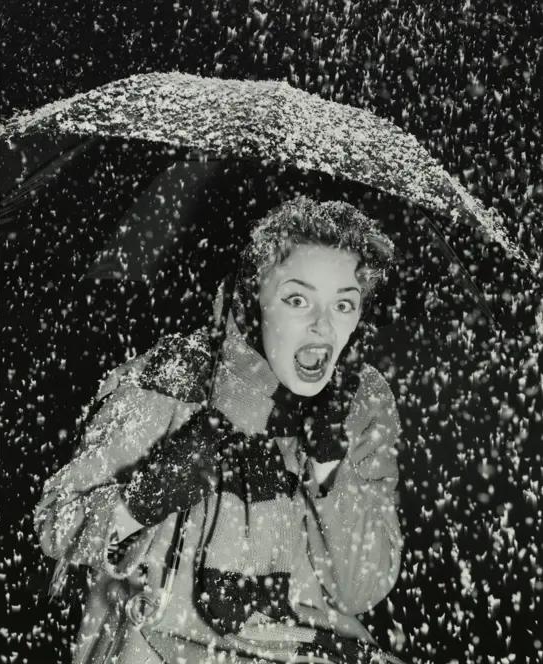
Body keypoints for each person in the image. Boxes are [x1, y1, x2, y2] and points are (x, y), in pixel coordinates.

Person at [34, 195, 406, 664]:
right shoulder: (173, 376)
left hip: (312, 649)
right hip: (163, 643)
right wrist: (140, 501)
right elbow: (56, 521)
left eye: (344, 305)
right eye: (297, 299)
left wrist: (331, 468)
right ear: (255, 294)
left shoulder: (360, 401)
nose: (321, 326)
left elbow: (361, 588)